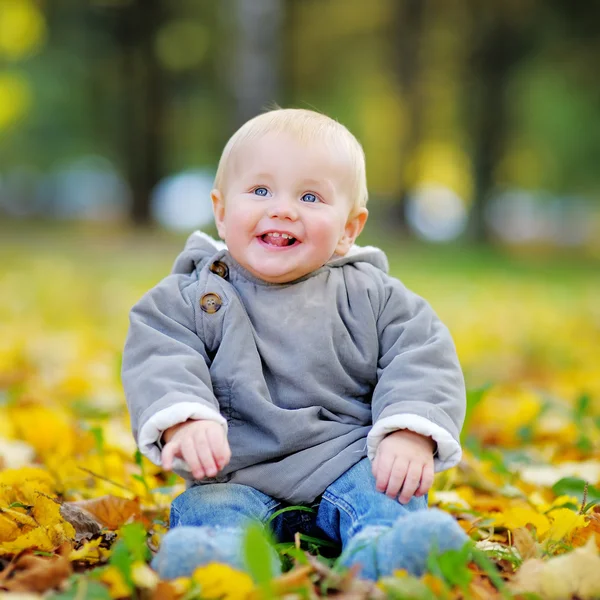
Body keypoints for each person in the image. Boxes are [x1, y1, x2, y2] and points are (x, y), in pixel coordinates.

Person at [122, 108, 469, 581]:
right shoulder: (192, 297)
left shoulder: (373, 296)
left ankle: (387, 553)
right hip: (236, 470)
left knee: (389, 494)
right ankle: (217, 562)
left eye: (310, 196)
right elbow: (161, 354)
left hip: (348, 460)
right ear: (221, 212)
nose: (283, 209)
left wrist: (409, 432)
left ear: (349, 229)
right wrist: (185, 419)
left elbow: (421, 356)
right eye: (261, 191)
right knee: (212, 508)